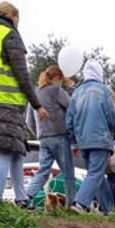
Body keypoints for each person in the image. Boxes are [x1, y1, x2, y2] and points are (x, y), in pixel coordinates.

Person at [0, 2, 49, 206]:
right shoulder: (9, 36)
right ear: (13, 17)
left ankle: (21, 198)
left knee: (17, 150)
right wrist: (37, 104)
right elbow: (22, 75)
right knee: (5, 151)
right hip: (6, 102)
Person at [66, 59, 115, 214]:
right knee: (96, 173)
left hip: (82, 140)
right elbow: (111, 115)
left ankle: (107, 209)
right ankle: (80, 204)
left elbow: (69, 120)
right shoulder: (103, 91)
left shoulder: (76, 93)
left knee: (95, 173)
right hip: (100, 139)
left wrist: (73, 142)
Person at [25, 65, 75, 208]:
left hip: (44, 139)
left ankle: (26, 196)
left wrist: (39, 133)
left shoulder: (35, 94)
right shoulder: (57, 91)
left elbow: (28, 120)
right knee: (68, 173)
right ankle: (71, 206)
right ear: (57, 78)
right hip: (60, 136)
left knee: (43, 171)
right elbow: (72, 109)